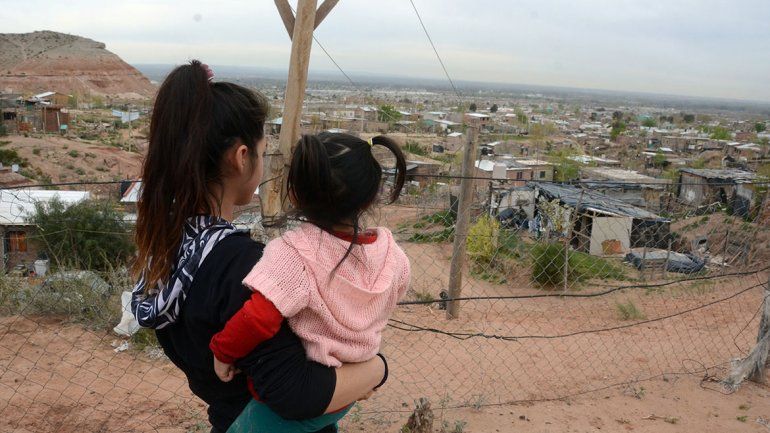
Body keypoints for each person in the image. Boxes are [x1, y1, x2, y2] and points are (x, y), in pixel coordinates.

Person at [130, 60, 385, 433]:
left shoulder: (168, 250)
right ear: (241, 157)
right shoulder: (241, 267)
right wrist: (377, 368)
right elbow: (295, 394)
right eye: (263, 154)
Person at [209, 132, 411, 432]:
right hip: (349, 391)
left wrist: (222, 352)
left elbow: (258, 319)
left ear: (295, 195)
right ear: (369, 198)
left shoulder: (294, 254)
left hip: (301, 399)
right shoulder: (394, 257)